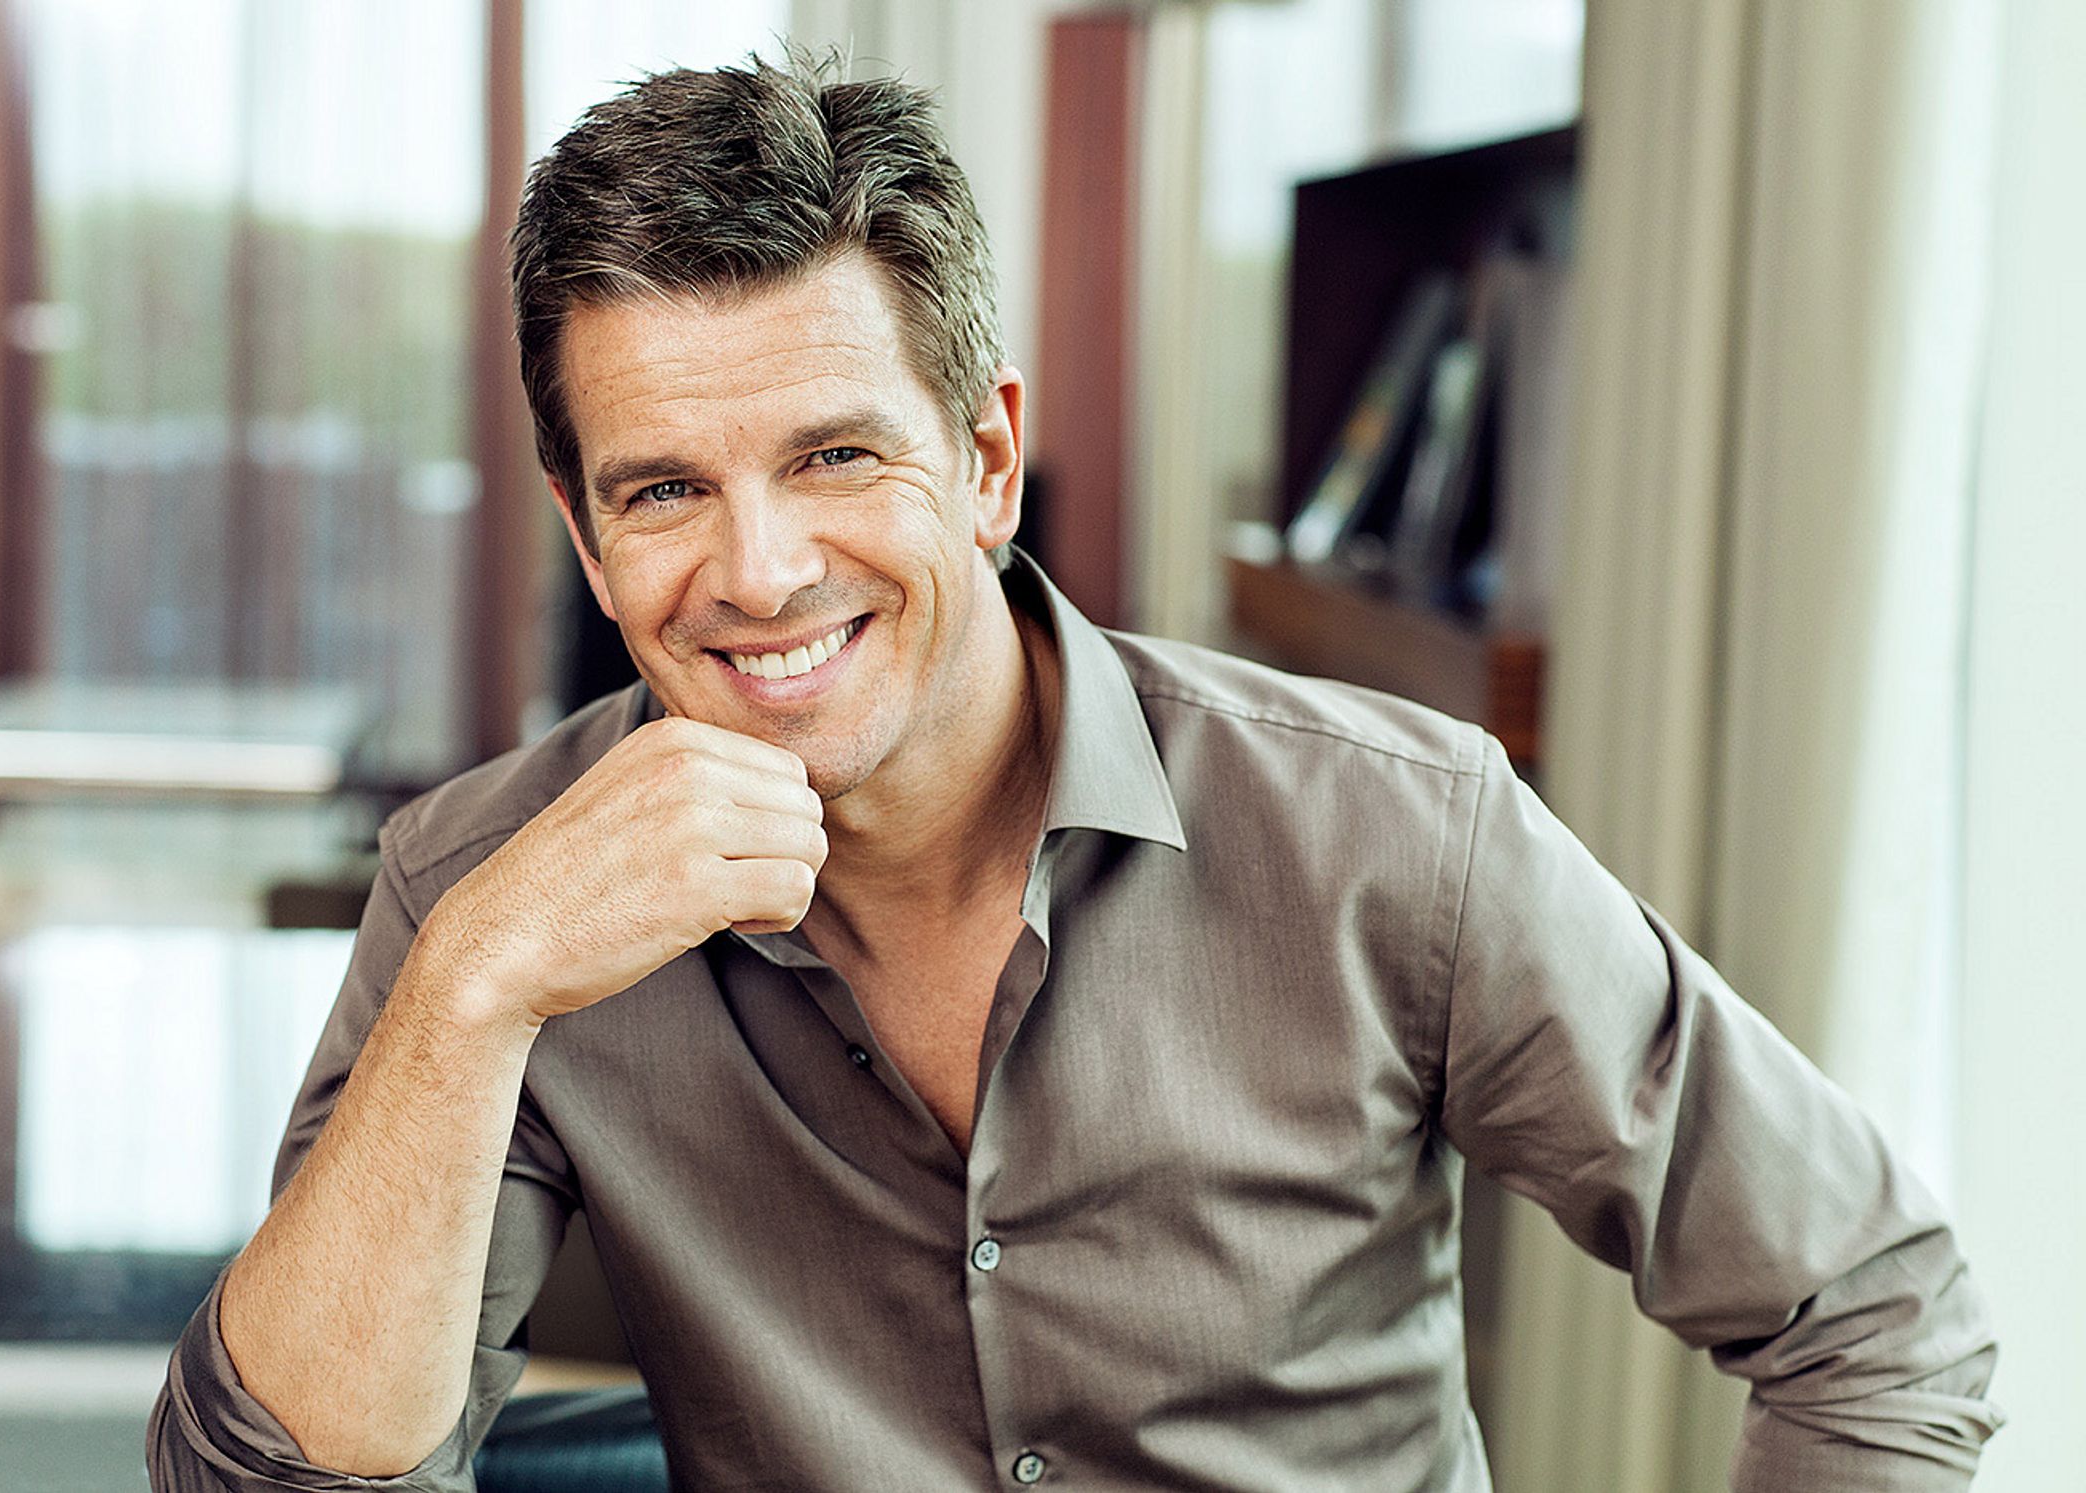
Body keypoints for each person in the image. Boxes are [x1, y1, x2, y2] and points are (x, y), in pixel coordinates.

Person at [147, 55, 2004, 1492]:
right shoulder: (486, 891)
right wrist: (476, 990)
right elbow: (277, 1477)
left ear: (987, 459)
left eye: (837, 457)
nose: (762, 569)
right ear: (579, 524)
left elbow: (1871, 1309)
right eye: (663, 490)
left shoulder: (1390, 829)